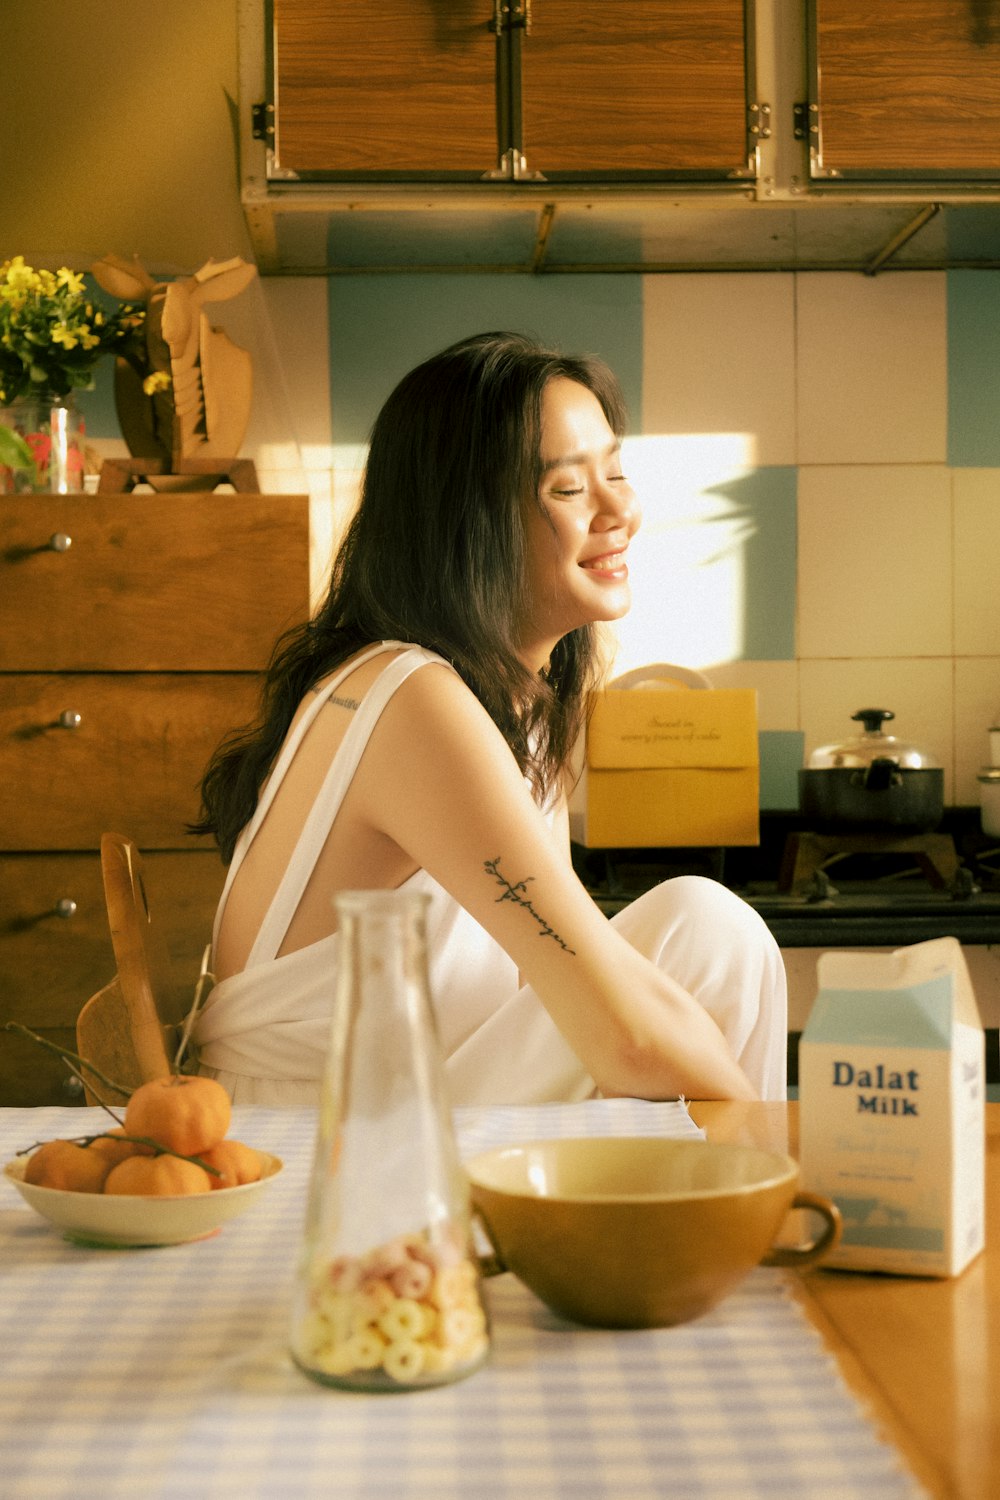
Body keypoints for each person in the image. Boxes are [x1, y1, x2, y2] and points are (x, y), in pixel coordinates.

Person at [191, 331, 787, 1105]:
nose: (621, 510)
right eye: (569, 490)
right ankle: (767, 1204)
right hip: (318, 1147)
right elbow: (625, 1037)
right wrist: (783, 1153)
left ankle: (731, 1207)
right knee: (704, 937)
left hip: (409, 1103)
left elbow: (583, 980)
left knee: (703, 929)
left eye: (616, 472)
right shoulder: (410, 696)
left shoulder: (506, 703)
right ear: (466, 522)